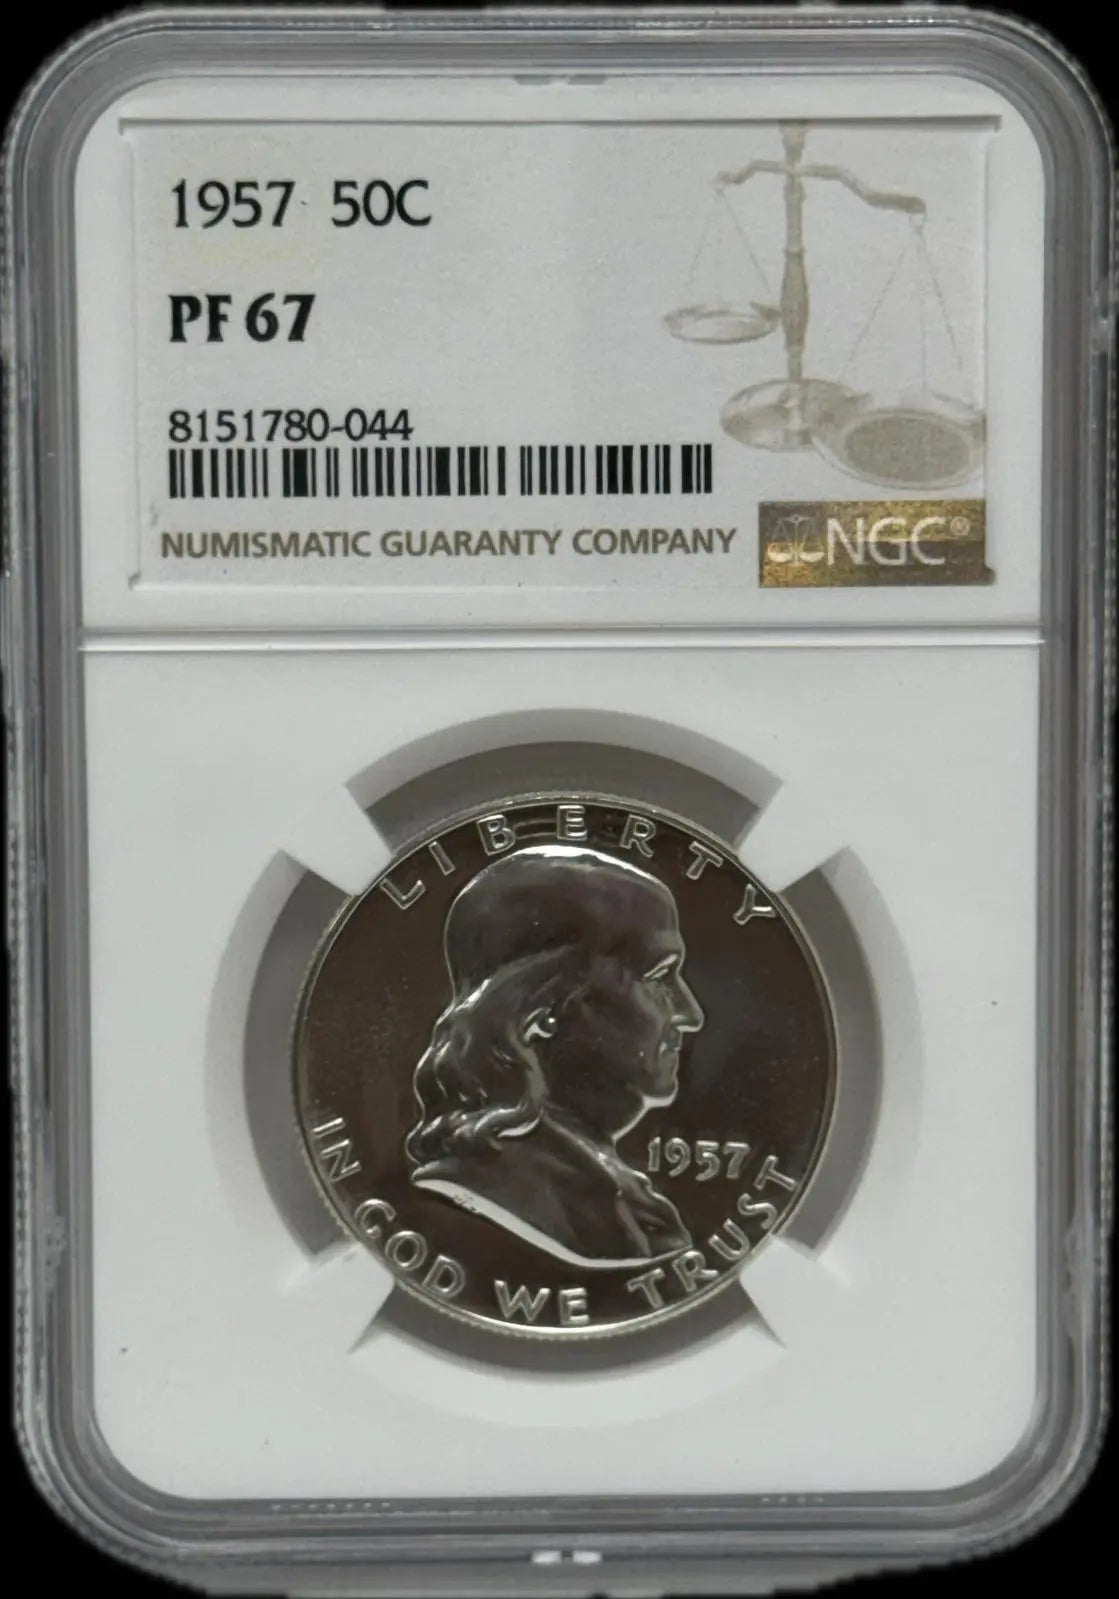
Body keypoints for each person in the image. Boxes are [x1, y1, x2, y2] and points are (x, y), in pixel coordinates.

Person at [406, 843, 704, 1267]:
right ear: (542, 1011)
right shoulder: (503, 1189)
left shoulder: (616, 1194)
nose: (690, 1014)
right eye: (658, 977)